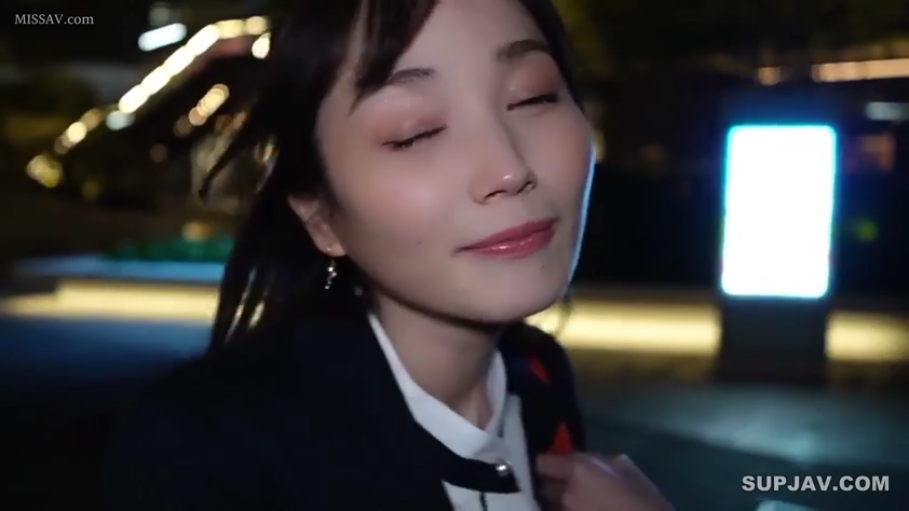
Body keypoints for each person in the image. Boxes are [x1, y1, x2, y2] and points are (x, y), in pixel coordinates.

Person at [104, 0, 673, 510]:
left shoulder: (541, 377)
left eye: (533, 95)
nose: (508, 168)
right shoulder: (207, 456)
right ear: (320, 215)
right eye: (414, 133)